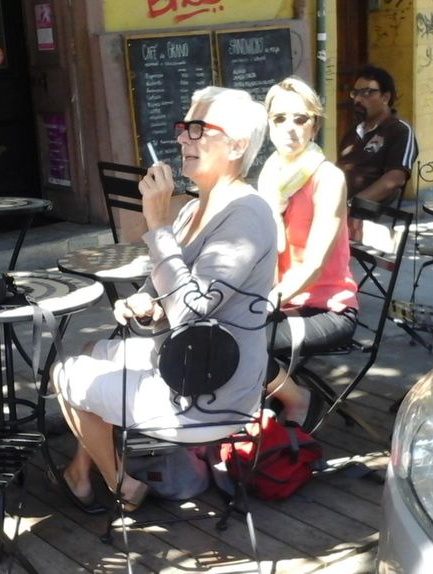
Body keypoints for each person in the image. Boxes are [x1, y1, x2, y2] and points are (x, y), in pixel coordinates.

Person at [52, 86, 276, 511]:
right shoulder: (195, 208)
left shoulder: (247, 214)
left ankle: (119, 484)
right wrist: (144, 304)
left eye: (198, 129)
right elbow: (169, 296)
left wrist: (155, 223)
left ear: (237, 145)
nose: (182, 139)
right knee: (86, 350)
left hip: (211, 392)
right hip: (186, 363)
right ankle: (88, 471)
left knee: (65, 373)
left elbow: (192, 310)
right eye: (182, 128)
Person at [258, 76, 359, 427]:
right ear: (267, 123)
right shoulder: (271, 175)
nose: (290, 128)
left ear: (314, 126)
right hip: (284, 302)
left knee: (241, 340)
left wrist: (266, 302)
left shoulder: (327, 178)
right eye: (279, 118)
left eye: (300, 119)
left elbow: (314, 264)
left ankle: (299, 399)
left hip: (326, 308)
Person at [336, 64, 419, 240]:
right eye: (355, 93)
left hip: (365, 215)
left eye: (367, 92)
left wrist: (354, 204)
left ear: (386, 97)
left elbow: (395, 178)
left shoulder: (398, 130)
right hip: (336, 207)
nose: (359, 99)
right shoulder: (353, 133)